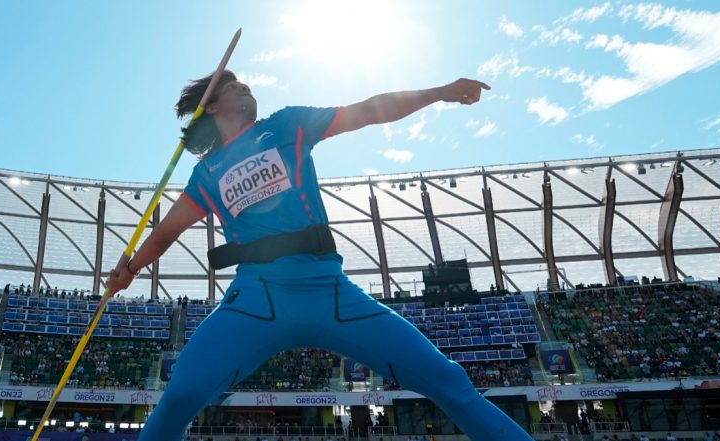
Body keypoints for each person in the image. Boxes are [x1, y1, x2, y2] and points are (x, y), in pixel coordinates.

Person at [107, 70, 532, 441]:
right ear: (212, 105)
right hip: (257, 299)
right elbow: (164, 234)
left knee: (448, 379)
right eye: (236, 86)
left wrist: (439, 91)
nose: (247, 89)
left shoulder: (287, 125)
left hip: (330, 293)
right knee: (181, 392)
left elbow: (367, 110)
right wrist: (129, 270)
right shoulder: (207, 173)